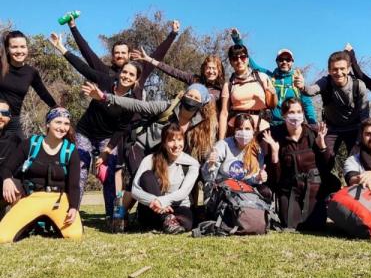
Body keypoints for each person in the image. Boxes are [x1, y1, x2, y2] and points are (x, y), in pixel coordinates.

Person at [84, 82, 217, 216]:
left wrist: (212, 156)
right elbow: (137, 105)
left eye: (196, 98)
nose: (191, 100)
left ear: (203, 103)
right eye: (189, 95)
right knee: (136, 179)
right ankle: (118, 217)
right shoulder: (167, 107)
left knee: (159, 183)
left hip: (161, 154)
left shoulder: (201, 123)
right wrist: (105, 97)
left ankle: (155, 214)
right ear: (184, 95)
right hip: (141, 147)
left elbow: (205, 147)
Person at [49, 32, 143, 217]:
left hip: (107, 138)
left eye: (131, 74)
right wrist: (61, 48)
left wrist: (107, 151)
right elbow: (83, 67)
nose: (126, 76)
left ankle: (112, 216)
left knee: (109, 175)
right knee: (80, 169)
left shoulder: (132, 102)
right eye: (124, 72)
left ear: (135, 80)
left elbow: (121, 128)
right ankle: (71, 211)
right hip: (85, 132)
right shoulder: (106, 81)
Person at [0, 107, 82, 243]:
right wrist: (7, 179)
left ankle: (43, 223)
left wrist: (73, 207)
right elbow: (6, 168)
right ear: (48, 124)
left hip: (59, 200)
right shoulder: (31, 144)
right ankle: (32, 224)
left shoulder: (70, 150)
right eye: (58, 122)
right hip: (32, 198)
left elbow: (74, 185)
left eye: (66, 123)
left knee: (74, 235)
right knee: (3, 236)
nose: (62, 127)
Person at [264, 98, 336, 230]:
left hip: (313, 185)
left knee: (315, 226)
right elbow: (275, 178)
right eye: (291, 112)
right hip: (290, 188)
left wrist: (322, 146)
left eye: (299, 111)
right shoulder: (275, 135)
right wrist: (274, 153)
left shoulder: (314, 133)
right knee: (290, 225)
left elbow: (329, 166)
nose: (295, 116)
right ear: (283, 115)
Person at [230, 29, 316, 125]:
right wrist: (238, 40)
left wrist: (313, 124)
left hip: (293, 124)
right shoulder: (269, 77)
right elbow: (250, 63)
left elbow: (307, 104)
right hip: (272, 125)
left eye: (288, 60)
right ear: (276, 61)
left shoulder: (297, 80)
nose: (284, 62)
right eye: (281, 59)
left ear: (292, 62)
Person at [295, 51, 369, 159]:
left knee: (359, 158)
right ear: (329, 70)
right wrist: (302, 87)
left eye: (342, 69)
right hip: (332, 128)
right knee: (324, 156)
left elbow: (364, 116)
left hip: (355, 127)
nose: (338, 72)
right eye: (334, 69)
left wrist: (359, 141)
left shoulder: (358, 85)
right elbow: (311, 91)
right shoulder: (326, 82)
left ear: (348, 69)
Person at [132, 123, 199, 234]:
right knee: (146, 176)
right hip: (153, 208)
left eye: (179, 139)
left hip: (178, 206)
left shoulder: (192, 163)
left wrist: (161, 201)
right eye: (171, 140)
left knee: (187, 223)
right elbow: (135, 190)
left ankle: (167, 221)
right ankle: (166, 219)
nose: (176, 145)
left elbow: (183, 192)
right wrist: (153, 201)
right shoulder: (150, 159)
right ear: (163, 142)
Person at [67, 16, 180, 79]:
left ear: (129, 55)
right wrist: (73, 27)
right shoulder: (105, 72)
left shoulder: (139, 72)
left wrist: (173, 34)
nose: (120, 55)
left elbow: (158, 54)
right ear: (112, 56)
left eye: (123, 52)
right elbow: (88, 52)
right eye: (117, 53)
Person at [0, 31, 57, 137]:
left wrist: (56, 106)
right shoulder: (1, 65)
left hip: (13, 122)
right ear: (8, 49)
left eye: (22, 47)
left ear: (27, 48)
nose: (19, 51)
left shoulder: (31, 72)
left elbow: (43, 93)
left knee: (19, 152)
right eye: (14, 47)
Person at [131, 46, 225, 108]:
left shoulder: (222, 88)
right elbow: (172, 71)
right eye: (208, 68)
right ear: (203, 70)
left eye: (214, 68)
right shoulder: (195, 80)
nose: (211, 71)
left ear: (219, 71)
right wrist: (149, 59)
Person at [202, 113, 270, 198]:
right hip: (222, 190)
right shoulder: (223, 145)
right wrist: (210, 166)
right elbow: (208, 178)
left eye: (247, 129)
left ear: (253, 131)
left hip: (243, 193)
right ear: (234, 130)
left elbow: (251, 181)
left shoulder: (257, 151)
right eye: (240, 129)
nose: (243, 132)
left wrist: (258, 177)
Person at [219, 44, 277, 140]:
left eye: (242, 57)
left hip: (261, 129)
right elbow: (224, 113)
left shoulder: (262, 77)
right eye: (235, 58)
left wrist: (273, 94)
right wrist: (221, 140)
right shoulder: (228, 85)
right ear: (230, 62)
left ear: (248, 59)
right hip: (236, 130)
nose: (239, 61)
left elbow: (272, 105)